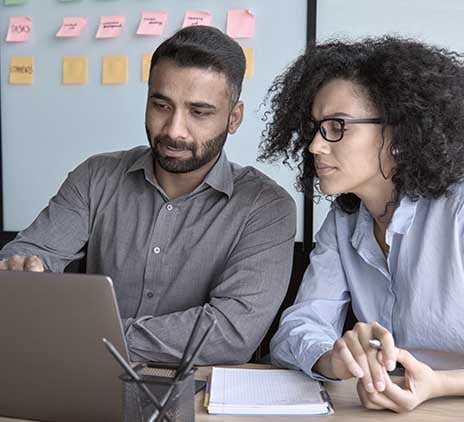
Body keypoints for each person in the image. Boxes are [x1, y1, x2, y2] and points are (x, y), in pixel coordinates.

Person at [0, 26, 296, 365]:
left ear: (234, 118)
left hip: (200, 397)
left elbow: (230, 335)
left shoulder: (265, 207)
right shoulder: (96, 176)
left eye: (199, 112)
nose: (173, 130)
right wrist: (22, 269)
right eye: (161, 105)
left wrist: (85, 334)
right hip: (85, 374)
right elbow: (29, 253)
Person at [259, 36, 464, 412]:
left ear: (399, 134)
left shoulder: (459, 210)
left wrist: (437, 384)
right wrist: (334, 360)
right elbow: (296, 329)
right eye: (315, 128)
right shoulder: (344, 220)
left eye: (337, 126)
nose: (315, 147)